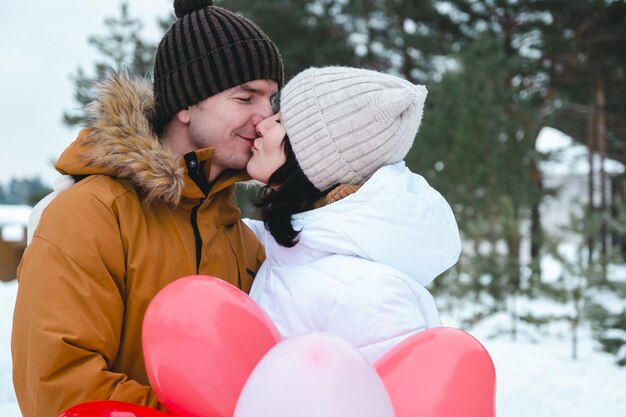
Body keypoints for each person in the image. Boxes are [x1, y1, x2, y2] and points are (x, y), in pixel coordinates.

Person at [11, 1, 283, 416]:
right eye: (246, 97)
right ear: (186, 105)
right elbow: (60, 389)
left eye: (271, 100)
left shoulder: (241, 237)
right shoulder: (91, 214)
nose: (266, 118)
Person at [244, 66, 462, 363]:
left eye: (280, 121)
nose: (262, 125)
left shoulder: (372, 297)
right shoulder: (272, 245)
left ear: (313, 158)